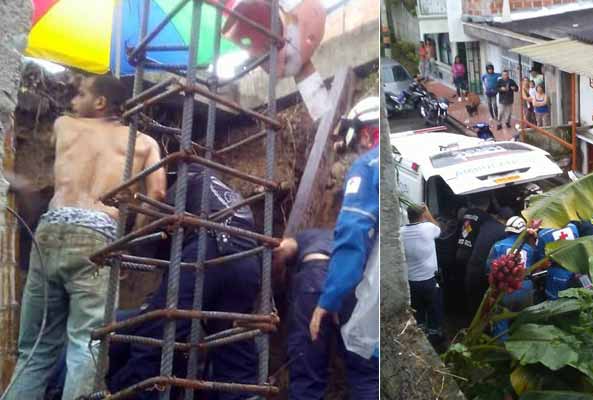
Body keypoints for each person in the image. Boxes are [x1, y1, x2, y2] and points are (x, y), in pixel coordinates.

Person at [4, 75, 166, 400]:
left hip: (49, 232)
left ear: (101, 102)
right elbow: (157, 192)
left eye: (81, 94)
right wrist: (128, 242)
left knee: (35, 351)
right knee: (86, 345)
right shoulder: (144, 143)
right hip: (98, 239)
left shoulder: (64, 126)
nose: (73, 102)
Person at [107, 164, 264, 400]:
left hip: (208, 251)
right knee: (232, 347)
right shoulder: (225, 194)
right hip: (248, 262)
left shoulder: (186, 180)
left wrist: (133, 244)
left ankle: (128, 394)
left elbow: (157, 215)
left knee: (156, 336)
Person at [309, 97, 379, 396]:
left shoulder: (366, 166)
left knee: (364, 374)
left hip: (370, 299)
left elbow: (353, 233)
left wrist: (330, 299)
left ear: (365, 134)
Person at [274, 229, 374, 399]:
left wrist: (276, 286)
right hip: (353, 283)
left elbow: (282, 250)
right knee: (362, 368)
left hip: (315, 277)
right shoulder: (347, 235)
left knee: (307, 367)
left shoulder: (304, 236)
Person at [485, 216, 537, 341]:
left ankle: (501, 352)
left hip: (504, 289)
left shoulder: (498, 246)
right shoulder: (529, 249)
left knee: (501, 323)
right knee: (523, 324)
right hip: (525, 288)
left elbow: (488, 267)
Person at [399, 205, 444, 344]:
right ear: (422, 215)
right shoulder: (428, 228)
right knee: (434, 309)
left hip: (411, 281)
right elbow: (439, 229)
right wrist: (428, 212)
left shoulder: (401, 232)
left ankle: (421, 337)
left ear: (408, 215)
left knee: (418, 311)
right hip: (430, 280)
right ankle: (435, 337)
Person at [456, 194, 492, 273]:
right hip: (472, 254)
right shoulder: (486, 217)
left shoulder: (467, 213)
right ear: (487, 204)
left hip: (460, 250)